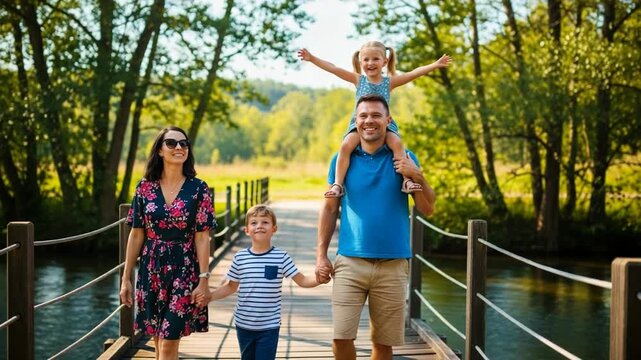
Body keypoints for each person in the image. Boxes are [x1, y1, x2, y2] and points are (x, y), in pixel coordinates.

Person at [315, 94, 436, 360]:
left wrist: (417, 175)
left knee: (383, 343)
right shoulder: (342, 159)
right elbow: (330, 208)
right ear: (355, 121)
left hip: (393, 265)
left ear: (388, 120)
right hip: (349, 262)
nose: (369, 121)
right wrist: (321, 255)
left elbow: (427, 208)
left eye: (376, 115)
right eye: (364, 116)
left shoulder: (404, 156)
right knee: (341, 336)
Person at [298, 40, 451, 198]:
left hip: (383, 124)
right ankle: (338, 184)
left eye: (375, 59)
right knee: (345, 146)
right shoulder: (358, 80)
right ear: (360, 61)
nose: (370, 63)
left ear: (384, 61)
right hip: (360, 124)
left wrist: (435, 64)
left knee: (397, 144)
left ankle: (406, 181)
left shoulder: (389, 82)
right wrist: (312, 58)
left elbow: (413, 73)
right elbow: (333, 68)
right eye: (366, 59)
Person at [120, 126, 216, 360]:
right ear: (160, 151)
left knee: (169, 341)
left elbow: (202, 237)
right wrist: (126, 278)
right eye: (171, 143)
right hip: (151, 268)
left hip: (184, 267)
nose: (179, 148)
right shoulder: (144, 187)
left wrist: (204, 279)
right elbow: (136, 234)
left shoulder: (198, 188)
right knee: (157, 339)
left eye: (184, 144)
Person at [195, 204, 322, 360]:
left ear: (274, 229)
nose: (259, 226)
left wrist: (319, 279)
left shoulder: (281, 257)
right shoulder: (240, 257)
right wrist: (210, 296)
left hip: (269, 326)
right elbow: (230, 287)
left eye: (265, 222)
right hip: (243, 324)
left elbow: (302, 280)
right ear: (246, 230)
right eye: (254, 223)